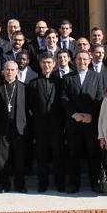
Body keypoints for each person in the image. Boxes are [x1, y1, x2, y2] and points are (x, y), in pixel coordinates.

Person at [61, 50, 105, 193]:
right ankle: (74, 183)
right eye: (79, 59)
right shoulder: (67, 78)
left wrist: (90, 115)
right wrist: (74, 114)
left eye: (85, 59)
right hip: (73, 123)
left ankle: (95, 183)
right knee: (74, 154)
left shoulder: (97, 77)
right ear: (75, 61)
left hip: (91, 123)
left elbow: (99, 97)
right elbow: (64, 98)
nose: (82, 62)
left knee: (93, 153)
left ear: (90, 60)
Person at [27, 52, 63, 192]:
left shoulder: (60, 82)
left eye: (49, 62)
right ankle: (43, 184)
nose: (46, 65)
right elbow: (30, 105)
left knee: (58, 155)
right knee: (41, 156)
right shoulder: (34, 83)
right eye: (44, 62)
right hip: (40, 126)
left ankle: (60, 183)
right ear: (40, 64)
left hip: (57, 126)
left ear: (54, 64)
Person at [0, 61, 29, 193]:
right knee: (3, 158)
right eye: (7, 69)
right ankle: (4, 185)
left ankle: (20, 184)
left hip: (19, 128)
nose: (10, 72)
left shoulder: (24, 87)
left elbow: (28, 109)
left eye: (13, 70)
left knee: (19, 158)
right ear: (3, 71)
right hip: (2, 128)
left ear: (17, 71)